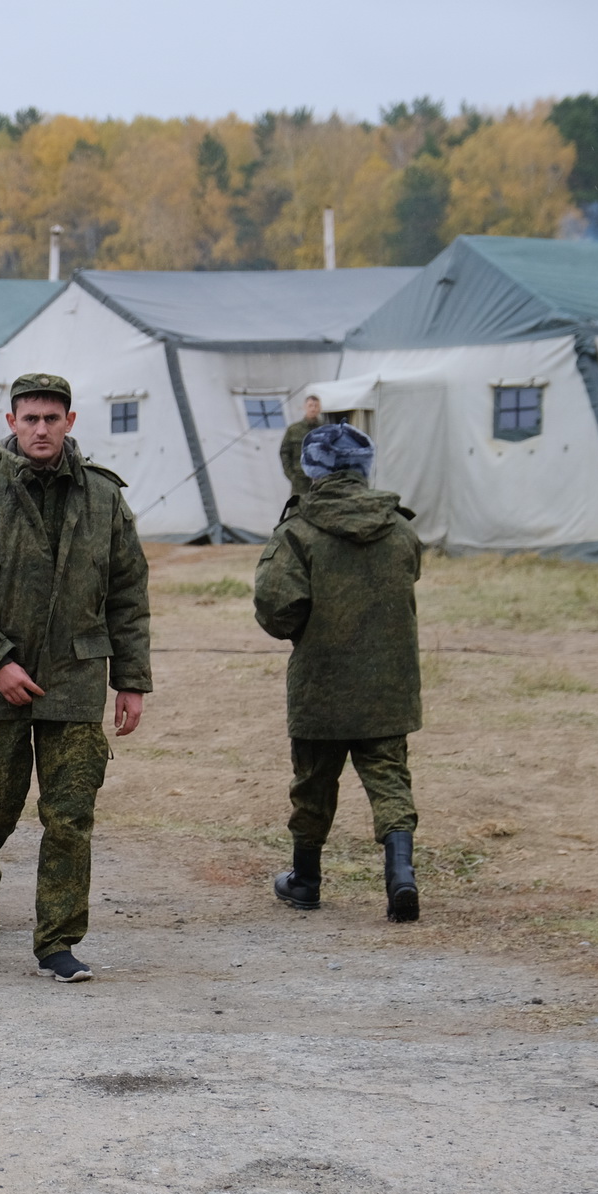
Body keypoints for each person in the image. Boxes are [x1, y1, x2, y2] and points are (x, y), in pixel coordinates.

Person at [0, 373, 152, 983]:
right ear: (11, 423)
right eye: (30, 418)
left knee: (69, 816)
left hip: (75, 677)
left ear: (70, 422)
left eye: (52, 418)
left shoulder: (104, 497)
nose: (41, 429)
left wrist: (130, 680)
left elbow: (128, 593)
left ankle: (57, 939)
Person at [255, 424, 422, 922]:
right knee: (390, 781)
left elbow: (276, 608)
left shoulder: (298, 532)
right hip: (389, 686)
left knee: (312, 784)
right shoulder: (400, 528)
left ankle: (305, 881)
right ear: (365, 468)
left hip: (320, 685)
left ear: (311, 469)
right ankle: (402, 876)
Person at [279, 394, 324, 499]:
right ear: (304, 407)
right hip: (300, 478)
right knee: (297, 510)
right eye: (310, 405)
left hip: (321, 478)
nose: (313, 409)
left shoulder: (325, 429)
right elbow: (284, 452)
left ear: (320, 409)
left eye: (316, 406)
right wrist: (291, 475)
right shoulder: (294, 429)